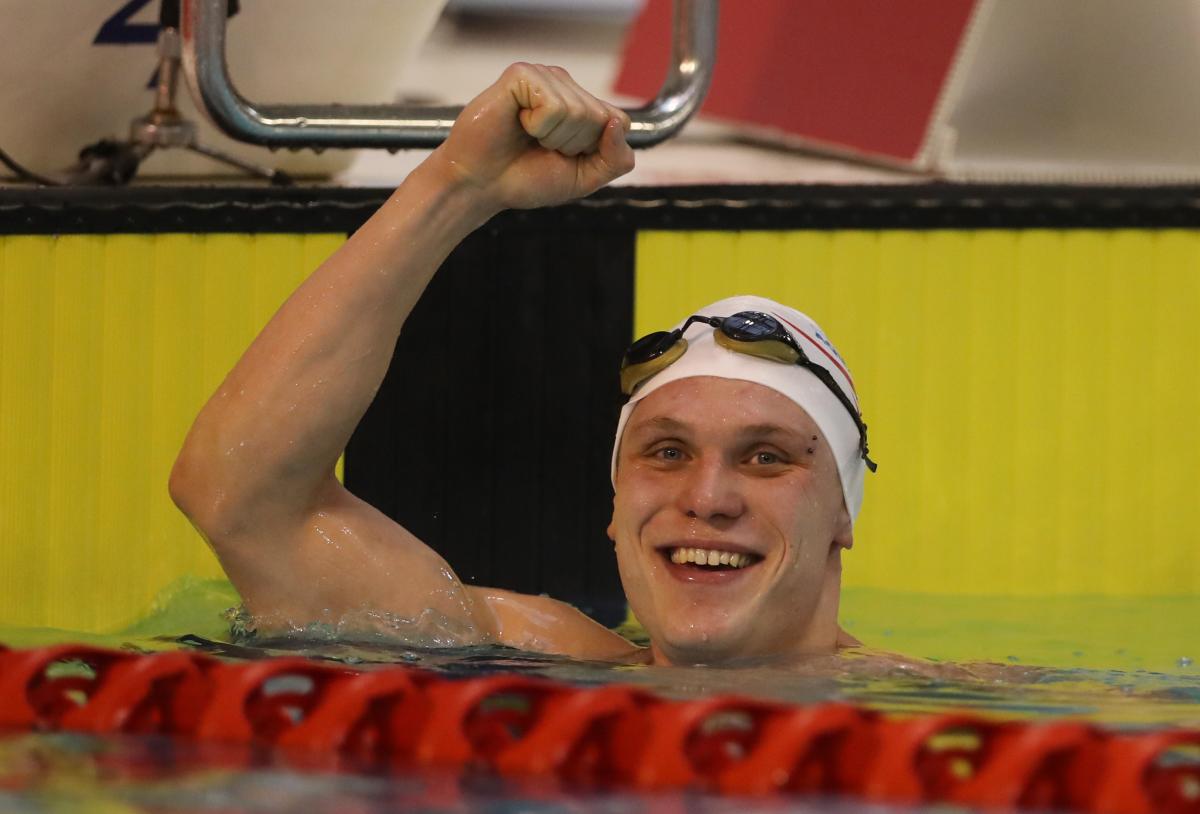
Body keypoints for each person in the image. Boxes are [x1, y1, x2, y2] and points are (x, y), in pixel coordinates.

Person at [169, 64, 873, 667]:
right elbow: (242, 499)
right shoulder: (524, 662)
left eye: (766, 458)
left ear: (843, 511)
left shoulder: (945, 708)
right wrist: (455, 185)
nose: (706, 498)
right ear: (615, 506)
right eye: (666, 452)